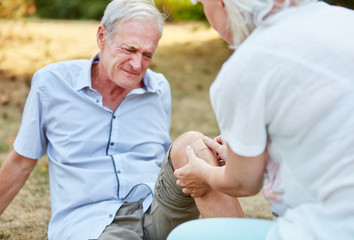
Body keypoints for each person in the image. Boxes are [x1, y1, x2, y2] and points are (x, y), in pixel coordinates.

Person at [0, 0, 244, 239]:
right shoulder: (51, 84)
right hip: (93, 224)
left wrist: (211, 163)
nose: (138, 64)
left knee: (193, 143)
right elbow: (21, 161)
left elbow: (163, 158)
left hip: (157, 209)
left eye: (147, 54)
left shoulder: (158, 87)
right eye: (129, 50)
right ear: (101, 37)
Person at [171, 0, 354, 239]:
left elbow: (243, 183)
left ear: (221, 4)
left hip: (332, 230)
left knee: (184, 235)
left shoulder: (244, 68)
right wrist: (251, 156)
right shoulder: (347, 21)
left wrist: (203, 173)